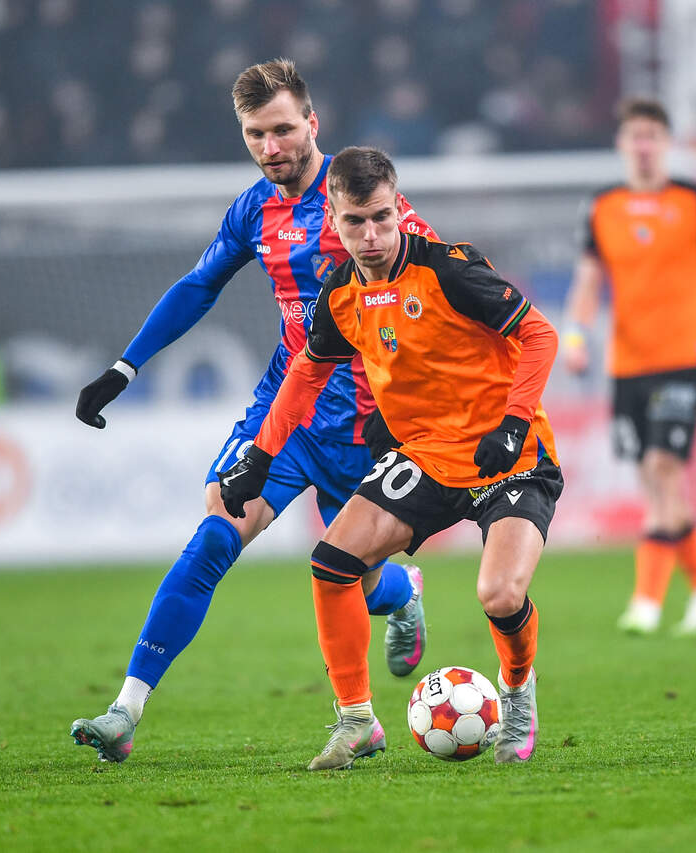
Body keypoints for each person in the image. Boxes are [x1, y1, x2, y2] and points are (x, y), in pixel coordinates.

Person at [69, 60, 436, 763]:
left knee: (354, 573)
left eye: (284, 130)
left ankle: (399, 592)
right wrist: (125, 366)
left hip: (370, 424)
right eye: (255, 134)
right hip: (286, 413)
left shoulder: (362, 204)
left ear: (313, 124)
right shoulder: (252, 210)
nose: (271, 147)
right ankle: (125, 711)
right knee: (216, 532)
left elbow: (436, 289)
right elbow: (198, 285)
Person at [219, 146, 562, 770]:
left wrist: (514, 423)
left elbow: (540, 333)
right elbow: (306, 374)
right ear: (333, 219)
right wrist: (260, 456)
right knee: (332, 562)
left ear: (399, 208)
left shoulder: (450, 270)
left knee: (499, 595)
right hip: (426, 456)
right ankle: (356, 721)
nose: (371, 235)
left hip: (506, 457)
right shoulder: (341, 292)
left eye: (382, 217)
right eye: (355, 222)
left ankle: (517, 695)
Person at [562, 98, 696, 637]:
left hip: (684, 360)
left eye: (652, 136)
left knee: (664, 469)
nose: (643, 146)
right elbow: (588, 282)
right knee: (657, 485)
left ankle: (646, 602)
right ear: (621, 144)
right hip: (626, 365)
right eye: (634, 135)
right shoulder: (603, 207)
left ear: (667, 143)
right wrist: (575, 335)